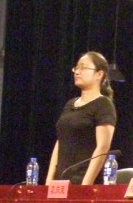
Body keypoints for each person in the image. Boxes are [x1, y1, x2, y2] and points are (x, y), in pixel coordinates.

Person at [45, 51, 116, 185]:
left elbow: (103, 147)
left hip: (83, 182)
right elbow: (61, 140)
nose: (77, 72)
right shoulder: (70, 104)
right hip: (60, 182)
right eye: (76, 68)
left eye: (83, 68)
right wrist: (50, 179)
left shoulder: (103, 104)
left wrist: (85, 184)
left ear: (99, 74)